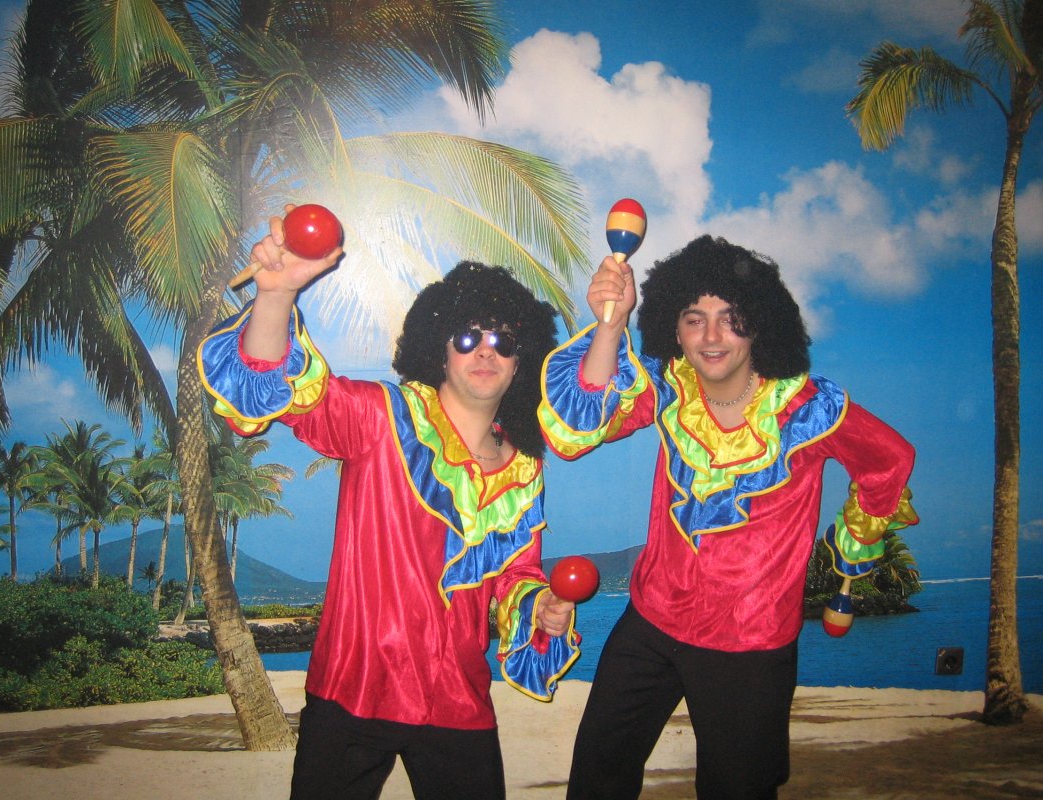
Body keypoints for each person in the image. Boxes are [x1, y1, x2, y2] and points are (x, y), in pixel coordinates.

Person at [199, 210, 582, 800]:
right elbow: (288, 393)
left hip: (456, 699)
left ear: (521, 360)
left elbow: (513, 576)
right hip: (353, 692)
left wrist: (541, 608)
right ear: (440, 349)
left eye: (503, 341)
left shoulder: (523, 469)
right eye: (468, 337)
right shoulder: (382, 417)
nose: (486, 352)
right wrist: (276, 295)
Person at [538, 235, 919, 799]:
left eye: (730, 319)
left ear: (758, 325)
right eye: (694, 320)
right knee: (598, 772)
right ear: (675, 330)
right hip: (653, 619)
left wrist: (859, 533)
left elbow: (889, 459)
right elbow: (574, 434)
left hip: (750, 641)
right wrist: (611, 326)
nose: (711, 337)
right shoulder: (669, 387)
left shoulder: (807, 409)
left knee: (737, 789)